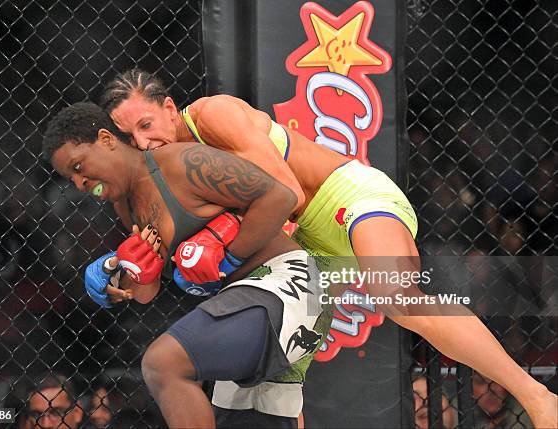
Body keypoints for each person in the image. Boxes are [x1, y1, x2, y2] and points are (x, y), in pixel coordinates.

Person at [97, 68, 557, 429]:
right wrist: (122, 273)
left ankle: (537, 398)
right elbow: (150, 286)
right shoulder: (154, 184)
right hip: (299, 245)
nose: (143, 141)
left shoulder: (212, 116)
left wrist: (223, 242)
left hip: (346, 198)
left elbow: (288, 193)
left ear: (171, 108)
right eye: (129, 135)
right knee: (277, 367)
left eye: (146, 124)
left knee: (395, 297)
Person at [42, 102, 330, 429]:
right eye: (71, 177)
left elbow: (280, 197)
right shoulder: (126, 205)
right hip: (245, 305)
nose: (80, 183)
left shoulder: (183, 163)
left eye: (79, 166)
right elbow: (147, 291)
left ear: (107, 139)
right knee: (244, 421)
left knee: (163, 363)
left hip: (290, 283)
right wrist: (123, 274)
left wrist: (230, 254)